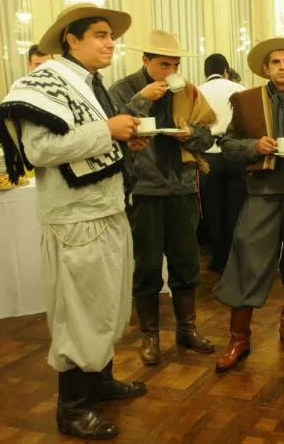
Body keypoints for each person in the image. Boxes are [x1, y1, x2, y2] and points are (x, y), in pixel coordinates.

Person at [0, 3, 148, 440]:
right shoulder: (42, 83)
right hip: (76, 220)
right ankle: (73, 408)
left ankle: (99, 380)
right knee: (79, 312)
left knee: (107, 304)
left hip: (107, 210)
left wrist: (121, 144)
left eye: (110, 36)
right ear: (71, 38)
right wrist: (108, 132)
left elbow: (83, 142)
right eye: (99, 35)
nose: (109, 43)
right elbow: (40, 149)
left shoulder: (88, 84)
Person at [214, 37, 284, 372]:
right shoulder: (247, 102)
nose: (281, 67)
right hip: (262, 192)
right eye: (275, 62)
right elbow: (228, 144)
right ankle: (239, 339)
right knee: (247, 257)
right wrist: (254, 147)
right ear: (265, 68)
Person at [108, 30, 217, 366]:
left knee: (186, 262)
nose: (171, 71)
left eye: (175, 64)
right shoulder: (123, 90)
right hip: (144, 190)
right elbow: (113, 133)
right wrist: (143, 97)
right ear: (145, 61)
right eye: (163, 64)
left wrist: (192, 134)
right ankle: (150, 336)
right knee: (148, 266)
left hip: (183, 188)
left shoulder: (187, 91)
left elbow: (206, 136)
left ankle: (187, 328)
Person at [198, 53, 246, 273]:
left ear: (206, 72)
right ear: (226, 70)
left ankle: (219, 259)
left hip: (208, 155)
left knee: (213, 210)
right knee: (237, 208)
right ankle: (238, 258)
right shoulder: (240, 89)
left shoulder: (197, 91)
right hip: (236, 154)